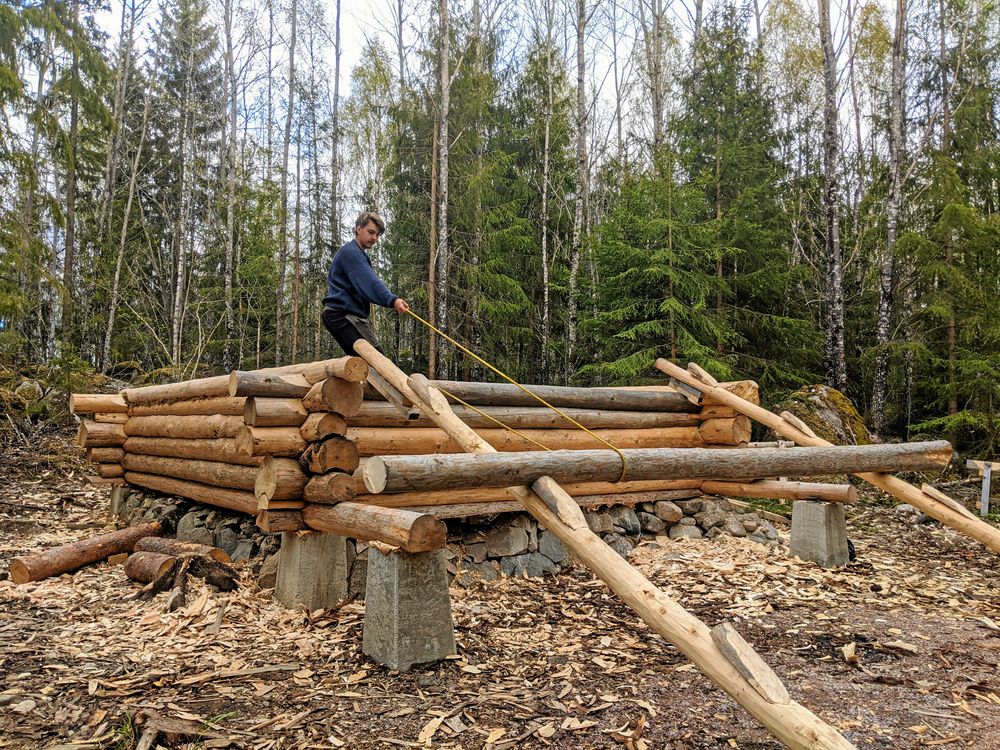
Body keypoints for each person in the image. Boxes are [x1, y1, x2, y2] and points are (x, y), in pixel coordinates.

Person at [322, 211, 409, 355]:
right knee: (378, 361)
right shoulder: (351, 253)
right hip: (343, 315)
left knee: (365, 362)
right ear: (358, 229)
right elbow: (370, 282)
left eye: (377, 235)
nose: (374, 238)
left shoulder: (356, 253)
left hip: (339, 315)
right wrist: (392, 300)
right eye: (371, 232)